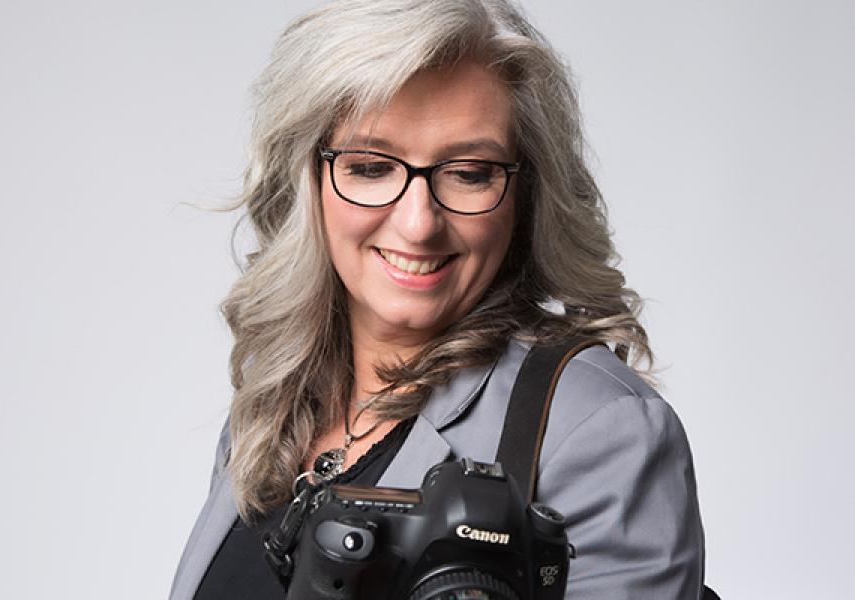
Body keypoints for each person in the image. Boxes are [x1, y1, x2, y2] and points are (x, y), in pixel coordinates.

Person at [170, 0, 707, 598]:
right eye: (370, 167)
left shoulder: (596, 430)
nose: (418, 224)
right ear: (307, 180)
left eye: (470, 173)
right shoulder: (276, 404)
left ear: (526, 196)